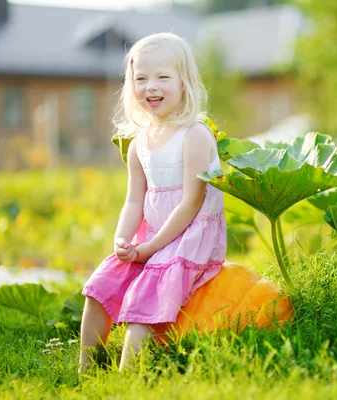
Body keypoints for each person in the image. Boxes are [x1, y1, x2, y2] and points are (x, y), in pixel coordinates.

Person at [78, 32, 226, 372]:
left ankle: (128, 378)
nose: (151, 86)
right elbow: (134, 200)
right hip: (151, 238)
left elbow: (191, 203)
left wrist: (151, 248)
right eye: (141, 78)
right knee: (98, 289)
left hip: (189, 239)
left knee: (142, 305)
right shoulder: (138, 144)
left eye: (162, 77)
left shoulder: (195, 135)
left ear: (184, 82)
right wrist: (124, 240)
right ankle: (87, 369)